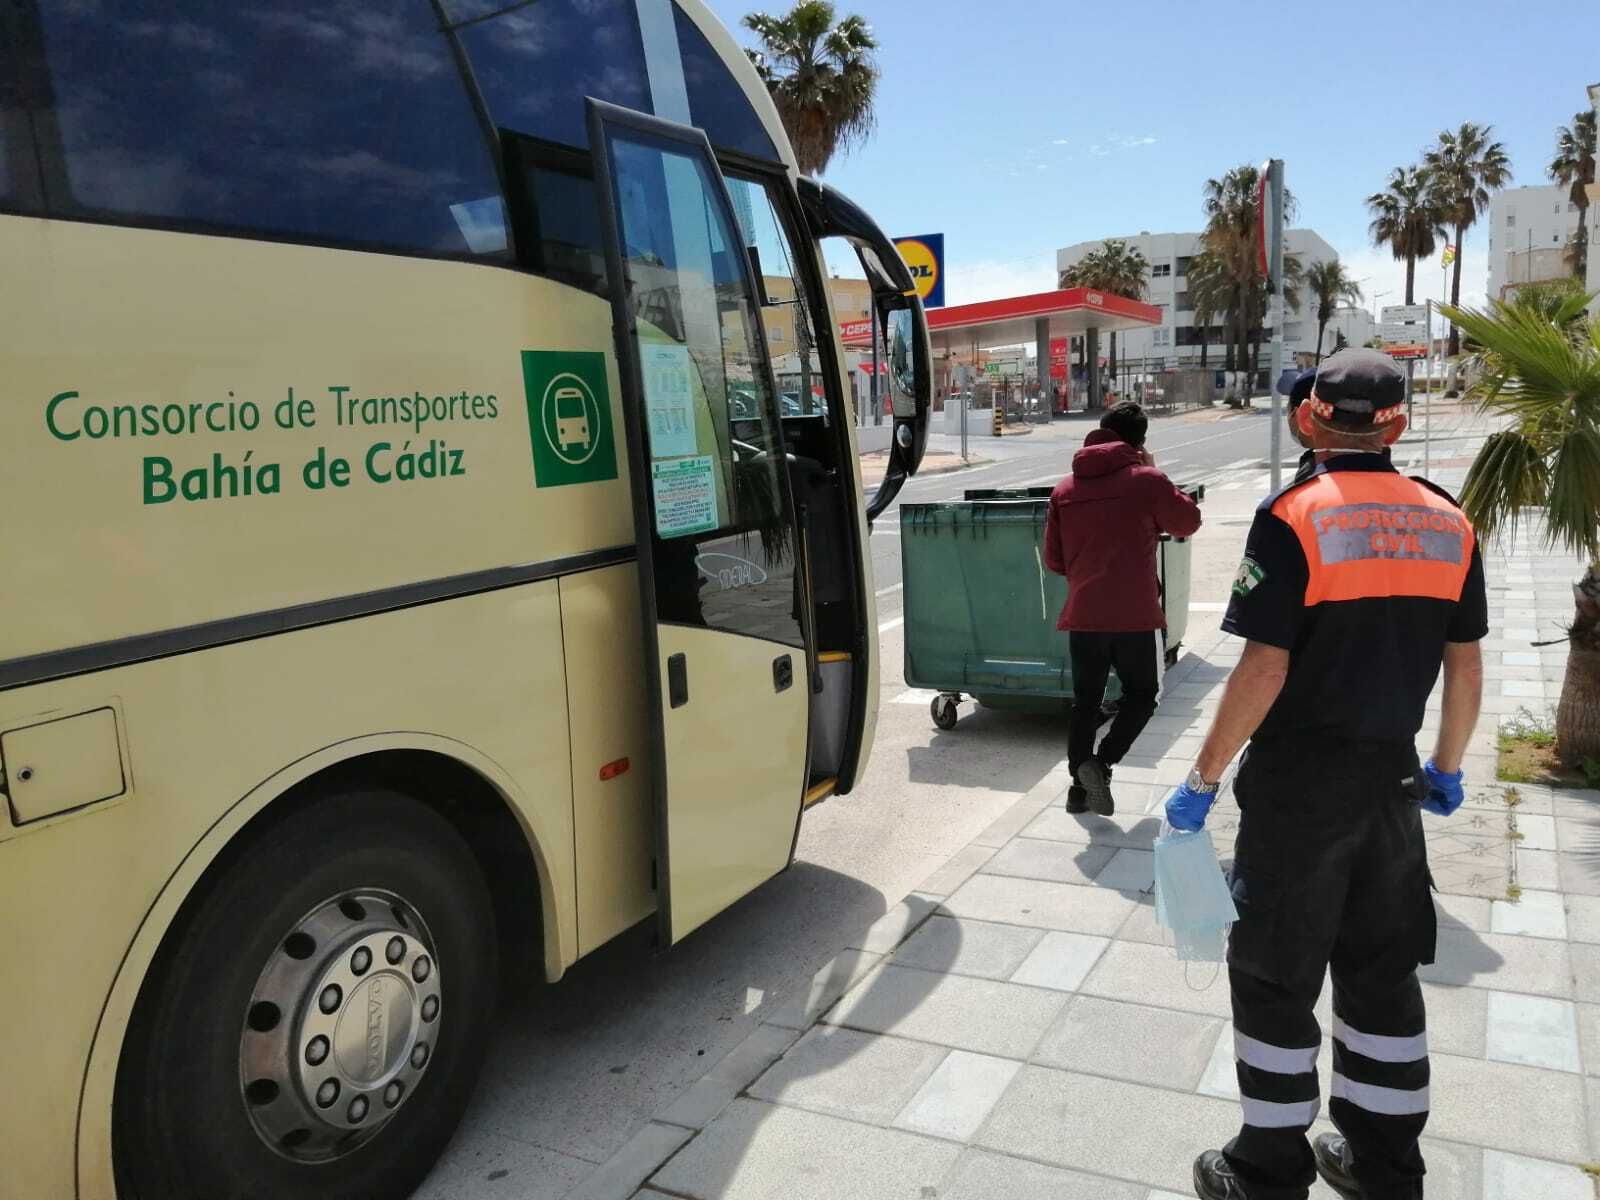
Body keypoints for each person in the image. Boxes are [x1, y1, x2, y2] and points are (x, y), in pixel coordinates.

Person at [1163, 349, 1488, 1200]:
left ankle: (1267, 1170)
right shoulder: (1448, 520)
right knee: (1382, 972)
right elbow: (1466, 664)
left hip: (1299, 791)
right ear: (1398, 423)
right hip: (1393, 788)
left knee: (1275, 973)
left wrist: (1200, 782)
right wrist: (1445, 768)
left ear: (1309, 418)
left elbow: (1263, 670)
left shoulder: (1296, 517)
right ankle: (1384, 1167)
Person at [1043, 402, 1202, 814]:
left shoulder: (1064, 490)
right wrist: (1156, 471)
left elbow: (1054, 561)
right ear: (1140, 441)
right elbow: (1187, 522)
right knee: (1143, 695)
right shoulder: (1146, 481)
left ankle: (1079, 789)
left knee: (1085, 703)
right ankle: (1102, 763)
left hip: (1083, 615)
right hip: (1136, 616)